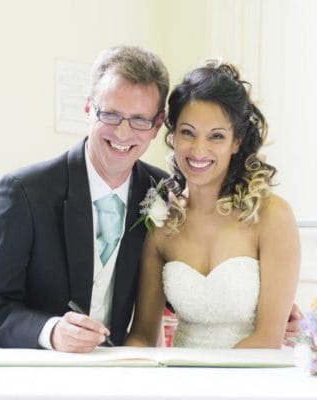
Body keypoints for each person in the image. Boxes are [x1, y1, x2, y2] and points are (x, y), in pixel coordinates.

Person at [0, 45, 169, 352]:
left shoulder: (163, 192)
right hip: (41, 369)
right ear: (88, 109)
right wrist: (50, 332)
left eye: (140, 119)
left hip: (122, 367)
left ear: (157, 125)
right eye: (111, 115)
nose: (123, 133)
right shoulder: (24, 192)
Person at [125, 60, 301, 348]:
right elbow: (143, 335)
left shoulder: (272, 216)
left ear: (236, 142)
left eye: (216, 136)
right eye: (187, 132)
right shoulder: (161, 221)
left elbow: (268, 338)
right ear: (172, 134)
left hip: (253, 371)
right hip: (181, 372)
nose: (199, 150)